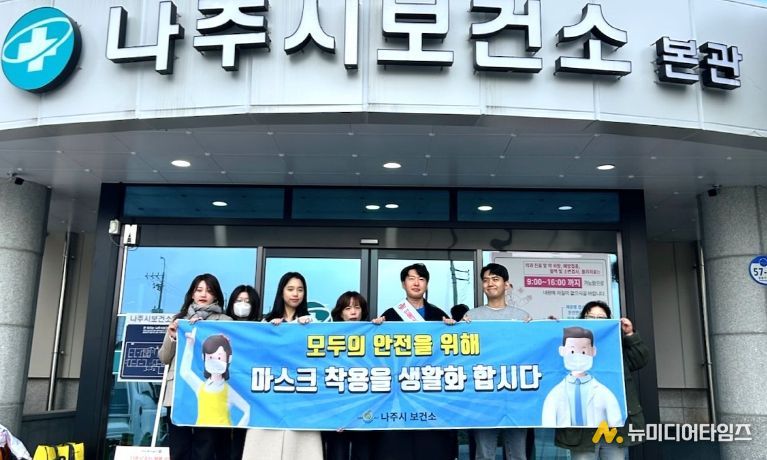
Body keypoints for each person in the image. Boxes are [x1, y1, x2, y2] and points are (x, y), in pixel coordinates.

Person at [371, 263, 456, 460]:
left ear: (426, 284)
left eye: (421, 279)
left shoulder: (438, 315)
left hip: (430, 389)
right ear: (403, 284)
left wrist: (452, 328)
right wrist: (375, 328)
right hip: (399, 388)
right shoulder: (391, 315)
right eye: (411, 278)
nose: (416, 283)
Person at [554, 301, 650, 460]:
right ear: (582, 319)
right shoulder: (572, 349)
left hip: (612, 427)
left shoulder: (617, 346)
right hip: (582, 430)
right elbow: (551, 365)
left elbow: (640, 360)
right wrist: (552, 329)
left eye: (601, 318)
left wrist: (629, 334)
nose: (596, 320)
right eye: (591, 317)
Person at [241, 272, 322, 460]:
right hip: (269, 399)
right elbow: (256, 357)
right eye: (290, 289)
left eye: (300, 290)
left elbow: (319, 360)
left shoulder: (313, 322)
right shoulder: (267, 322)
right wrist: (271, 332)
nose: (295, 294)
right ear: (282, 292)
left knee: (302, 451)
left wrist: (308, 330)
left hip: (301, 397)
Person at [158, 273, 232, 460]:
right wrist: (172, 335)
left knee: (205, 446)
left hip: (209, 392)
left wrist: (203, 328)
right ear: (192, 294)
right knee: (179, 446)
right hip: (179, 390)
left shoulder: (225, 321)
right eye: (199, 290)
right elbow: (164, 358)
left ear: (216, 296)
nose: (203, 294)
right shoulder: (179, 319)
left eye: (209, 290)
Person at [463, 263, 529, 460]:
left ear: (506, 284)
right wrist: (456, 327)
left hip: (516, 395)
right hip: (484, 395)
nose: (490, 283)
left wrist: (545, 327)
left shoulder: (522, 317)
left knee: (518, 453)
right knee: (484, 453)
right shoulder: (471, 317)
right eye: (485, 280)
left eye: (495, 279)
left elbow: (533, 350)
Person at [541, 326, 622, 428]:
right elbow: (548, 424)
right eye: (572, 351)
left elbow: (616, 422)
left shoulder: (604, 393)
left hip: (596, 436)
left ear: (593, 351)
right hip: (566, 437)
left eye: (583, 352)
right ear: (562, 351)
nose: (578, 357)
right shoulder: (554, 395)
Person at [324, 291, 372, 460]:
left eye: (357, 307)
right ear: (340, 312)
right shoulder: (328, 338)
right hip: (336, 413)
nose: (353, 312)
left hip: (365, 413)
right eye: (348, 308)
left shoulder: (372, 338)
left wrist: (380, 327)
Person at [223, 284, 261, 460]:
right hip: (223, 391)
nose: (243, 304)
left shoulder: (261, 328)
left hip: (249, 393)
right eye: (239, 300)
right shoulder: (219, 326)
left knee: (243, 442)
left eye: (247, 301)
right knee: (220, 440)